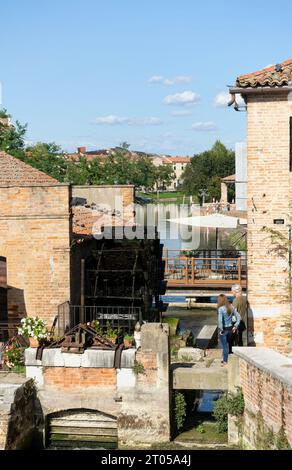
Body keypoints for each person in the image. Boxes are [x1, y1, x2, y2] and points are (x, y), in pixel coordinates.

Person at [217, 294, 241, 366]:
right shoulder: (231, 307)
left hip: (224, 330)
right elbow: (239, 317)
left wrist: (221, 330)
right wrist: (235, 326)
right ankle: (227, 359)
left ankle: (225, 361)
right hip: (231, 329)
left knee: (225, 346)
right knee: (229, 345)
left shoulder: (220, 309)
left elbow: (220, 320)